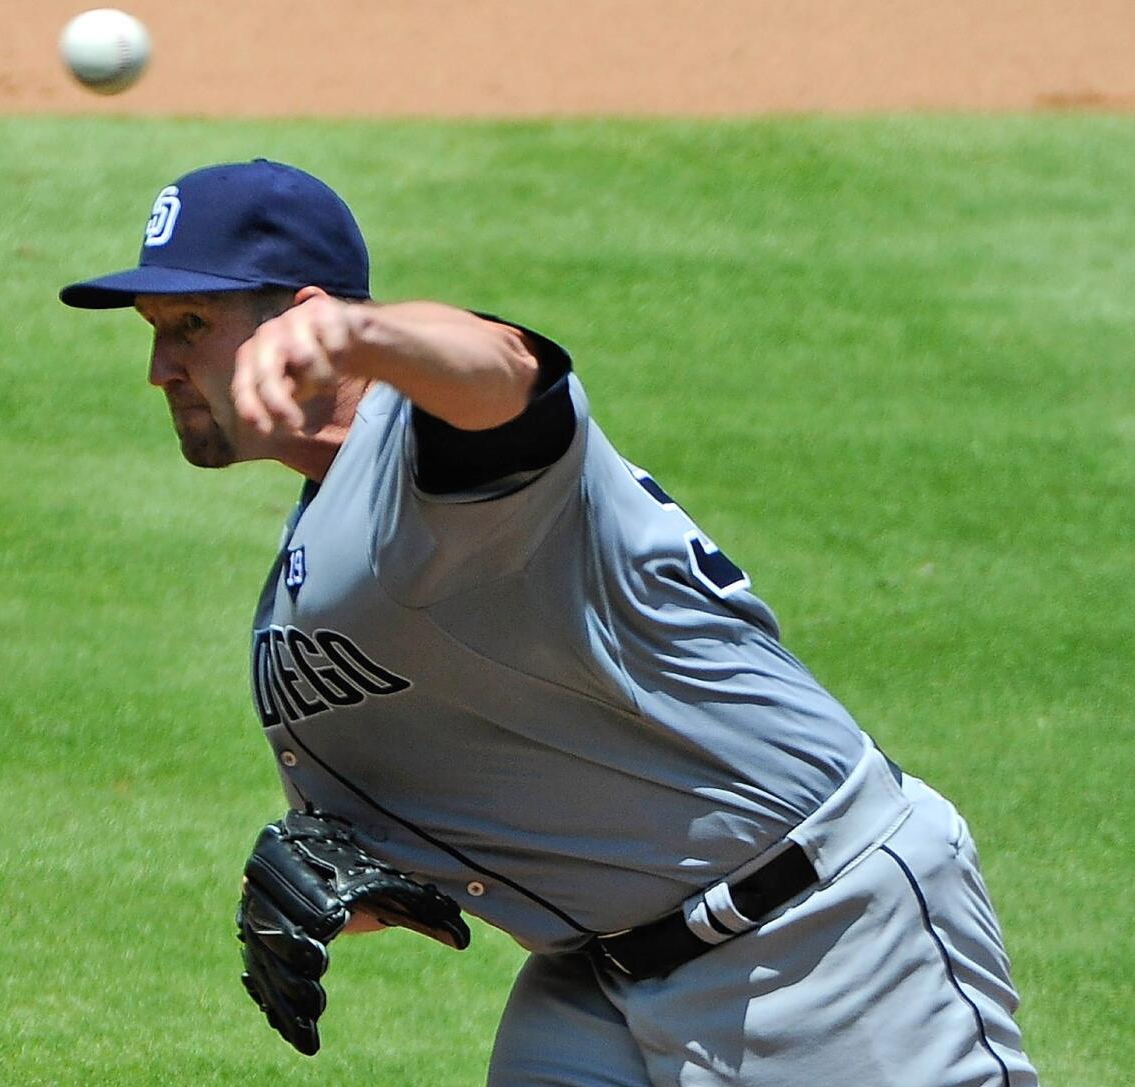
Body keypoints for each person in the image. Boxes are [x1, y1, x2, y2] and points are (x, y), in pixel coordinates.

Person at [60, 159, 1038, 1086]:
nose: (160, 367)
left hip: (820, 935)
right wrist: (355, 880)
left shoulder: (439, 456)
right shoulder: (317, 540)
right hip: (593, 981)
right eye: (154, 329)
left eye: (189, 323)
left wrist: (370, 339)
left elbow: (506, 372)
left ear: (307, 317)